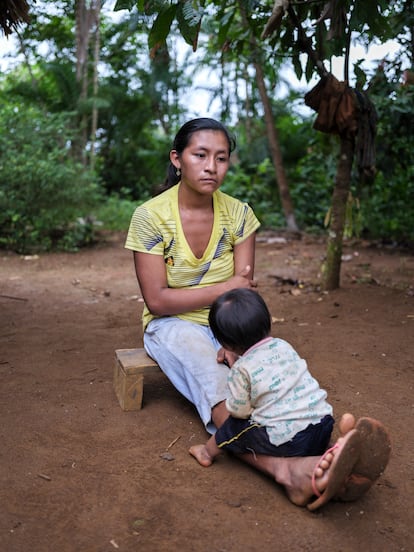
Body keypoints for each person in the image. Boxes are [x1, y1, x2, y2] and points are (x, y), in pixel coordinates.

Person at [125, 117, 391, 510]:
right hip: (173, 325)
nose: (211, 166)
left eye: (221, 158)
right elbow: (159, 302)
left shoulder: (239, 215)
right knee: (225, 395)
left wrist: (231, 313)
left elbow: (244, 289)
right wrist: (225, 287)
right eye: (200, 155)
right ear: (177, 159)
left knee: (277, 377)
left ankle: (324, 440)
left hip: (230, 322)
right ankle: (295, 472)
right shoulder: (150, 217)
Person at [189, 288, 336, 466]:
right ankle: (334, 451)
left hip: (290, 440)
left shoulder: (241, 369)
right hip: (323, 423)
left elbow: (239, 412)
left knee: (234, 427)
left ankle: (207, 452)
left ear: (225, 343)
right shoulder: (283, 345)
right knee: (307, 432)